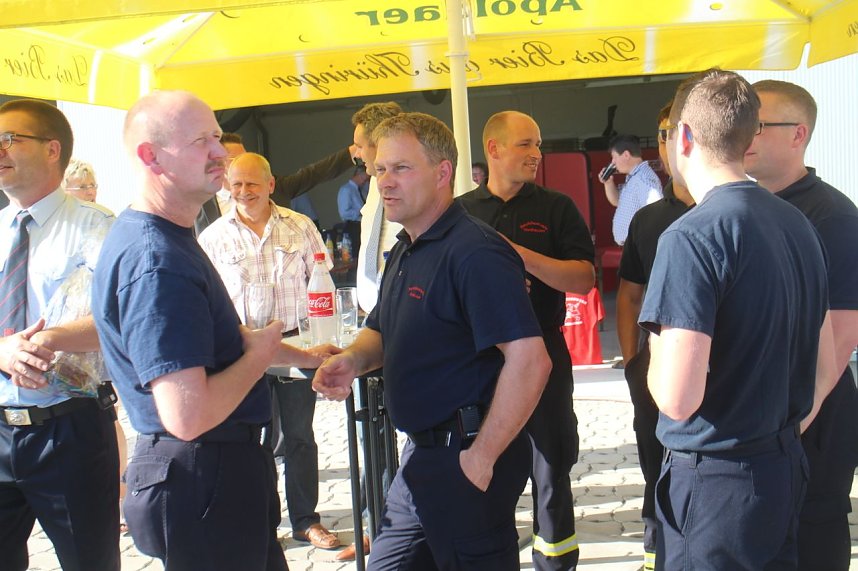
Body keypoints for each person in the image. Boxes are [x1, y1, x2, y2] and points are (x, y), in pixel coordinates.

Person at [92, 90, 329, 571]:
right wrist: (260, 359)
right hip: (201, 477)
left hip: (212, 476)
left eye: (218, 137)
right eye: (202, 141)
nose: (221, 153)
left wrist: (304, 357)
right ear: (149, 156)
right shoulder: (157, 258)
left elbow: (214, 339)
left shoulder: (160, 236)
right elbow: (186, 414)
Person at [313, 112, 551, 569]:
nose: (385, 181)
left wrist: (481, 458)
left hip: (466, 457)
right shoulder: (408, 246)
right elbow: (381, 329)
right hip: (420, 460)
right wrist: (351, 360)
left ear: (443, 173)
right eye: (380, 169)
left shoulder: (476, 252)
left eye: (401, 168)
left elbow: (531, 361)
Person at [640, 69, 836, 570]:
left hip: (716, 481)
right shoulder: (798, 222)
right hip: (783, 464)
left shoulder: (689, 236)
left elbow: (678, 399)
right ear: (750, 140)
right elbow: (827, 358)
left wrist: (656, 348)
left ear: (682, 136)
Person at [458, 110, 595, 571]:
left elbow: (583, 279)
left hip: (544, 355)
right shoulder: (461, 212)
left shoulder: (557, 208)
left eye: (538, 144)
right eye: (525, 145)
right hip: (481, 362)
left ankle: (556, 563)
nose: (537, 154)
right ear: (493, 149)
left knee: (551, 467)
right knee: (483, 468)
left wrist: (519, 257)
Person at [198, 151, 341, 551]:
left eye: (252, 184)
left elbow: (322, 284)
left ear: (271, 185)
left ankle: (306, 521)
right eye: (236, 184)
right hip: (240, 352)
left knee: (299, 436)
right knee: (251, 441)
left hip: (295, 346)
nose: (244, 192)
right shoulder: (212, 237)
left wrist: (321, 340)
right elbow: (205, 300)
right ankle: (260, 523)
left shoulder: (300, 227)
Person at [0, 99, 120, 571]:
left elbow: (120, 320)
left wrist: (50, 340)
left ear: (53, 150)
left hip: (69, 430)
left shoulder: (98, 228)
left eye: (11, 139)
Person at [744, 79, 858, 571]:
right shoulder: (744, 206)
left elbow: (842, 329)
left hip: (812, 413)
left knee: (813, 528)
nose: (745, 135)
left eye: (759, 125)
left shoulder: (831, 215)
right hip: (763, 411)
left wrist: (793, 422)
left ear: (798, 135)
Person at [615, 101, 694, 571]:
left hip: (722, 379)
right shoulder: (648, 219)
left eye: (675, 132)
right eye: (661, 133)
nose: (668, 143)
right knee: (656, 471)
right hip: (655, 377)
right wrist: (630, 363)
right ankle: (657, 555)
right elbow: (627, 296)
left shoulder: (738, 210)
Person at [194, 131, 355, 235]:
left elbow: (313, 174)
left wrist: (351, 153)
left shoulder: (272, 188)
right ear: (218, 161)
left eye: (246, 157)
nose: (245, 163)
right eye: (237, 159)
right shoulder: (198, 204)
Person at [353, 102, 404, 314]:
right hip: (373, 314)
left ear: (378, 144)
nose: (356, 154)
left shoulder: (422, 185)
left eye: (359, 145)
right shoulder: (374, 183)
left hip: (404, 309)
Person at [599, 134, 662, 245]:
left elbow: (656, 213)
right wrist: (608, 183)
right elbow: (617, 201)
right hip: (631, 246)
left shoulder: (643, 179)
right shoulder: (633, 177)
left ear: (626, 155)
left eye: (614, 157)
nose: (612, 162)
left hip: (638, 245)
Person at [338, 165, 369, 258]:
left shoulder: (358, 190)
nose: (365, 181)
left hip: (360, 225)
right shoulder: (346, 190)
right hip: (352, 226)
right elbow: (344, 212)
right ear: (361, 175)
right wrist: (360, 211)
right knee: (355, 255)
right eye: (366, 178)